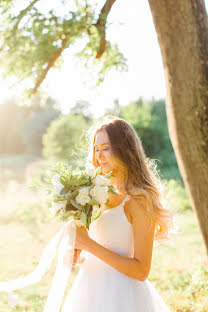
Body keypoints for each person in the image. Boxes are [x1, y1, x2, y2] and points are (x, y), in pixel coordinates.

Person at [61, 116, 173, 312]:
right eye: (96, 149)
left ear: (124, 150)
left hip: (122, 295)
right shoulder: (95, 193)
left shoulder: (139, 200)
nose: (99, 156)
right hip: (88, 290)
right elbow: (99, 244)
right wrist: (78, 251)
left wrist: (88, 244)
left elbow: (141, 270)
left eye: (106, 148)